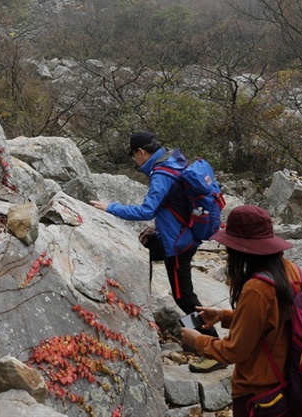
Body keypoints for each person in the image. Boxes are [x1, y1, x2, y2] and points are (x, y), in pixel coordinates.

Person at [91, 130, 222, 371]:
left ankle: (214, 350)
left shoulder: (161, 173)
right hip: (177, 235)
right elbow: (172, 205)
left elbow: (147, 210)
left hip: (179, 246)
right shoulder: (173, 160)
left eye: (134, 156)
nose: (134, 161)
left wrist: (110, 207)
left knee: (184, 299)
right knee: (144, 249)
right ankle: (142, 305)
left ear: (141, 152)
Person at [179, 205, 302, 417]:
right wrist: (223, 316)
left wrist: (197, 341)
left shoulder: (256, 289)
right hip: (290, 383)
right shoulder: (290, 269)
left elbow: (235, 351)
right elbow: (276, 321)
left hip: (259, 394)